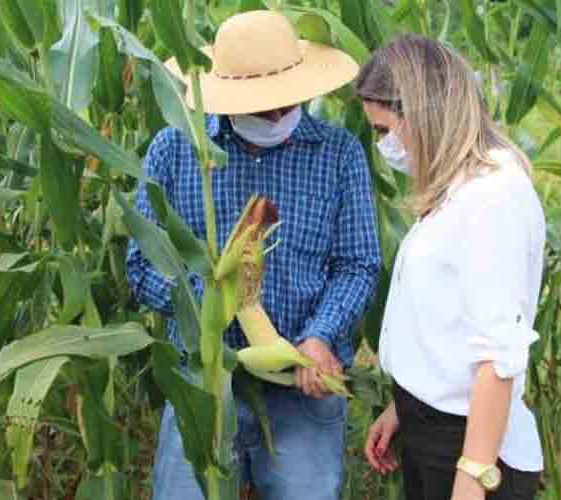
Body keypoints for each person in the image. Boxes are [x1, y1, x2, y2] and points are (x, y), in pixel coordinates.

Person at [125, 10, 381, 500]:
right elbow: (143, 263)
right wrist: (210, 302)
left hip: (301, 385)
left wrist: (321, 336)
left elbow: (357, 263)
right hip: (201, 384)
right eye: (259, 107)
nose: (275, 115)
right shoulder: (177, 151)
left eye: (284, 103)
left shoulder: (338, 153)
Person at [358, 35, 545, 500]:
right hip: (432, 431)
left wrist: (473, 475)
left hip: (466, 446)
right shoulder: (459, 187)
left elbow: (499, 357)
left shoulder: (493, 196)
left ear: (423, 115)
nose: (383, 145)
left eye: (383, 130)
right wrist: (405, 407)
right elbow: (446, 321)